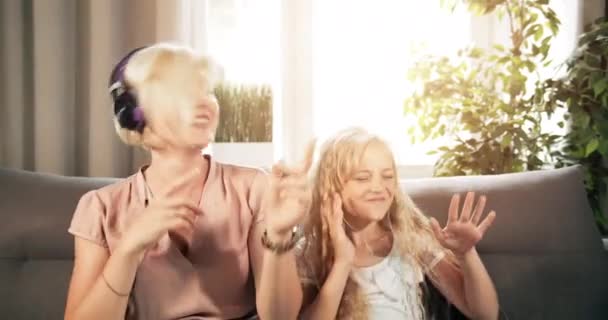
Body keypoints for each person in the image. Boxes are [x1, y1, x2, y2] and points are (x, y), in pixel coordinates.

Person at [64, 43, 311, 320]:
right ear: (136, 115)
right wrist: (129, 249)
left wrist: (278, 237)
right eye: (185, 92)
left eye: (207, 91)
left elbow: (281, 317)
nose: (205, 101)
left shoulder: (255, 188)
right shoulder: (100, 208)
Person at [297, 127, 499, 319]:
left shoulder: (411, 238)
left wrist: (466, 254)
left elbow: (484, 314)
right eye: (362, 178)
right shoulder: (311, 251)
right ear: (331, 187)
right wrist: (342, 263)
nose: (378, 187)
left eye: (387, 176)